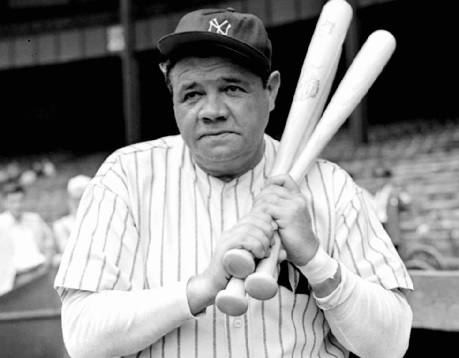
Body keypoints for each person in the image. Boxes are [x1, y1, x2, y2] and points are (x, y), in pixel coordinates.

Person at [54, 7, 413, 358]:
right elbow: (84, 339)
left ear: (270, 91)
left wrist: (315, 261)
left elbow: (390, 346)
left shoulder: (332, 187)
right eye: (192, 94)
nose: (212, 110)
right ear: (173, 99)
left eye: (232, 88)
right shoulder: (125, 178)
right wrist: (203, 287)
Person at [0, 181, 54, 279]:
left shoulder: (34, 219)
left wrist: (47, 262)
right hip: (15, 277)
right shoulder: (2, 224)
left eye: (20, 201)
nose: (18, 206)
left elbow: (49, 242)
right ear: (5, 202)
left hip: (42, 269)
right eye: (13, 202)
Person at [52, 174, 91, 260]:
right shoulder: (61, 225)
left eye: (81, 199)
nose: (78, 204)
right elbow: (69, 254)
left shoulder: (101, 222)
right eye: (75, 199)